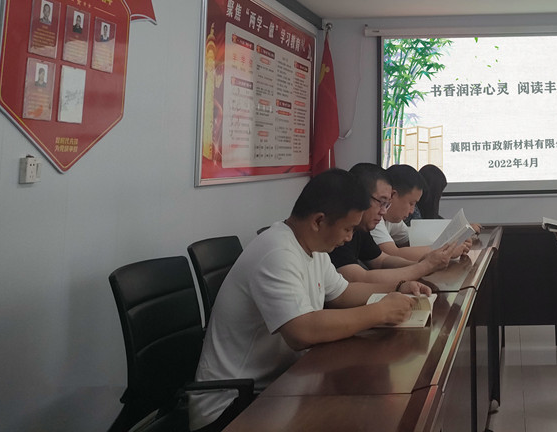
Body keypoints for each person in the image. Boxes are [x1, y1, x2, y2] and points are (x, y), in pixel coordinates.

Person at [190, 169, 425, 431]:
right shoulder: (276, 252)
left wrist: (398, 287)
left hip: (279, 383)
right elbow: (302, 331)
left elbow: (343, 293)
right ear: (318, 221)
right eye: (347, 229)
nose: (350, 238)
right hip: (232, 405)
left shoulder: (314, 247)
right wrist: (379, 312)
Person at [331, 163, 452, 285]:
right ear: (359, 198)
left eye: (386, 203)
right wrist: (424, 267)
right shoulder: (336, 229)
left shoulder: (361, 229)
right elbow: (359, 279)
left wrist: (421, 264)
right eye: (381, 202)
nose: (384, 211)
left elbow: (381, 261)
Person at [372, 164, 473, 262]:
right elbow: (393, 254)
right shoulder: (374, 218)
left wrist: (455, 241)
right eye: (411, 203)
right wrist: (446, 250)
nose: (412, 211)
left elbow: (413, 242)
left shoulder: (393, 220)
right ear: (393, 195)